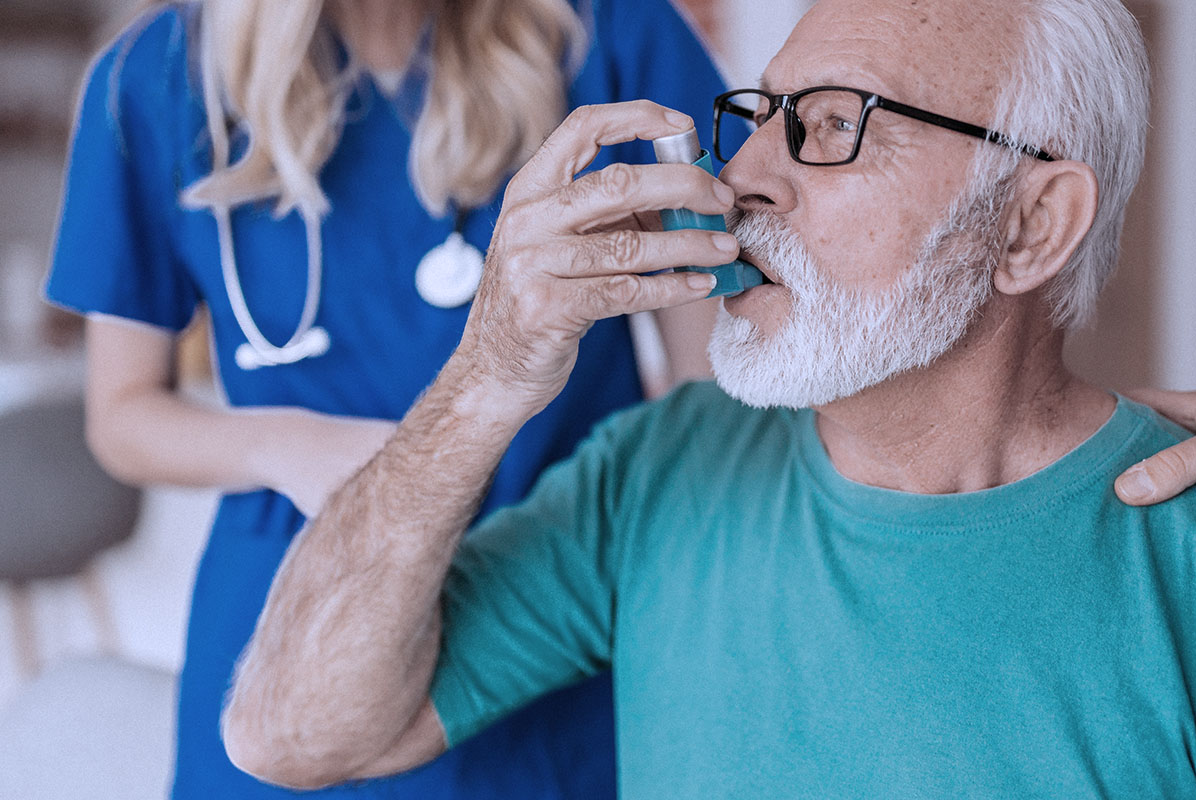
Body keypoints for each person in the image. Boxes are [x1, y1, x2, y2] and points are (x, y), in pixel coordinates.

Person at [221, 0, 1196, 796]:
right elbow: (289, 731)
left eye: (833, 124)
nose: (739, 174)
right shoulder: (661, 466)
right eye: (757, 117)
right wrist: (484, 374)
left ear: (1030, 226)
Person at [43, 0, 733, 796]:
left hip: (554, 606)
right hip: (300, 617)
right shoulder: (153, 80)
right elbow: (122, 418)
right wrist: (287, 444)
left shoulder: (613, 35)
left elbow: (711, 387)